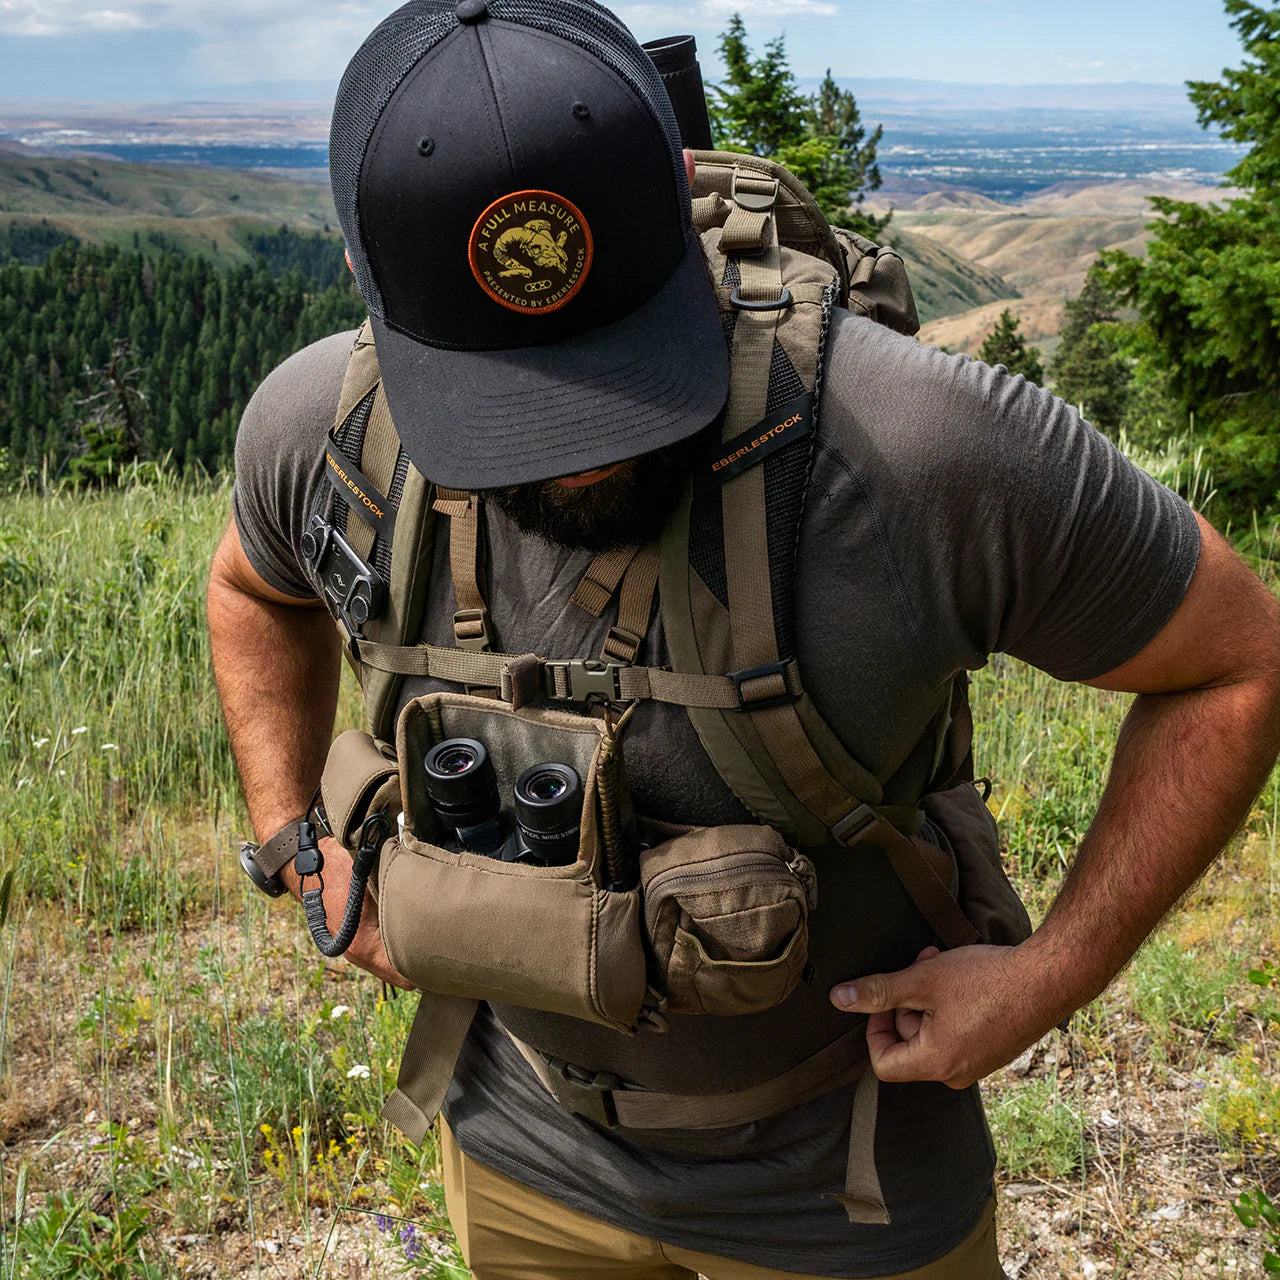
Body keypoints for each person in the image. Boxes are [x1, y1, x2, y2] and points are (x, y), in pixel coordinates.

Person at [207, 1, 1280, 1277]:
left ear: (675, 198)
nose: (583, 448)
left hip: (852, 1189)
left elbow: (1236, 656)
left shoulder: (913, 451)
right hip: (515, 1144)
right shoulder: (327, 432)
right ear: (375, 295)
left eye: (621, 369)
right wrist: (290, 838)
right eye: (508, 409)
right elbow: (251, 586)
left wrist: (1054, 973)